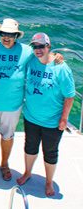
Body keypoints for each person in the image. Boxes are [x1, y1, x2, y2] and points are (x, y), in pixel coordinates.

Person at [0, 19, 64, 181]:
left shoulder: (26, 51)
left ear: (16, 36)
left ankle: (4, 164)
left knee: (7, 136)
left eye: (10, 34)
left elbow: (42, 53)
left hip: (13, 105)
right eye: (3, 33)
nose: (6, 37)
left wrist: (56, 55)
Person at [17, 33, 75, 197]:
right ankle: (27, 172)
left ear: (49, 46)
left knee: (50, 152)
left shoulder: (61, 68)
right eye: (35, 46)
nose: (38, 50)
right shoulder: (31, 61)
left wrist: (64, 119)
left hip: (53, 121)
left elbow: (70, 95)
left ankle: (48, 181)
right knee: (30, 146)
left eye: (41, 46)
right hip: (31, 116)